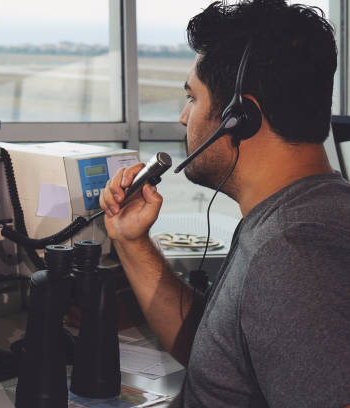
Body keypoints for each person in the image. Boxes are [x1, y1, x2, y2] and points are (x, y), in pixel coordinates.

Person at [99, 1, 350, 407]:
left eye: (192, 98)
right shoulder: (298, 216)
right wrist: (132, 241)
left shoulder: (295, 251)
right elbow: (219, 356)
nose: (184, 117)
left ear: (241, 116)